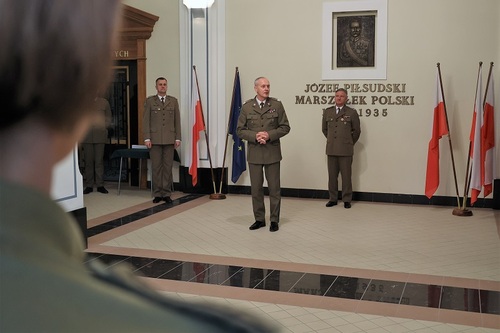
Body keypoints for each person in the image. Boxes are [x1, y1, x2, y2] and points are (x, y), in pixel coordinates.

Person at [0, 1, 276, 332]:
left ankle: (165, 191)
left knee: (164, 170)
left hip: (181, 143)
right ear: (78, 111)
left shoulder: (173, 102)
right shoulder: (179, 323)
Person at [237, 77, 291, 232]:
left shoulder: (277, 105)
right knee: (256, 189)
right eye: (263, 86)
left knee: (274, 189)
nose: (266, 88)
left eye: (268, 86)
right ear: (256, 88)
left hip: (272, 152)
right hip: (254, 153)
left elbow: (285, 127)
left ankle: (274, 220)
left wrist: (268, 135)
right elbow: (240, 130)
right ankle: (259, 219)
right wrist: (255, 136)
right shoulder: (247, 107)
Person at [143, 77, 181, 204]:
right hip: (154, 140)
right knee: (156, 167)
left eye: (164, 84)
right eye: (160, 84)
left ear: (167, 86)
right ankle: (157, 193)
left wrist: (178, 137)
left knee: (167, 167)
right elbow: (146, 121)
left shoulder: (173, 101)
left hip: (170, 139)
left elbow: (177, 121)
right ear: (156, 87)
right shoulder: (150, 101)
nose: (162, 86)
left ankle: (166, 193)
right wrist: (147, 137)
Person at [322, 88, 361, 209]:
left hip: (345, 150)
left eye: (342, 96)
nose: (339, 98)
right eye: (337, 96)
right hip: (332, 149)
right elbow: (325, 130)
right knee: (332, 176)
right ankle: (333, 198)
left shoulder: (352, 113)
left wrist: (348, 142)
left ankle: (347, 199)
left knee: (346, 176)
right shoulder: (328, 112)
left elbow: (357, 131)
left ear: (346, 98)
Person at [80, 96, 112, 194]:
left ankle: (100, 185)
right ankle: (89, 185)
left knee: (99, 161)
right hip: (87, 135)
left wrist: (104, 128)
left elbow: (108, 118)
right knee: (88, 161)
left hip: (100, 135)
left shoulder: (104, 102)